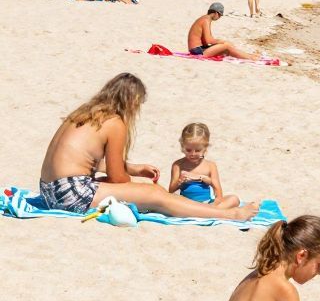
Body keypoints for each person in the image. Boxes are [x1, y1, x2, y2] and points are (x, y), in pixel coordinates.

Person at [36, 73, 256, 220]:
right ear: (130, 101)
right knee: (153, 193)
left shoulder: (87, 112)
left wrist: (133, 168)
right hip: (71, 194)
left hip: (49, 190)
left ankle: (211, 210)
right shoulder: (114, 122)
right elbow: (117, 178)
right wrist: (132, 182)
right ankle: (230, 215)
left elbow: (85, 159)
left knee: (146, 191)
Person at [167, 122, 241, 210]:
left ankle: (207, 210)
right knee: (169, 200)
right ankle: (208, 212)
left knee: (234, 199)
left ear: (205, 148)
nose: (192, 154)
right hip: (186, 203)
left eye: (197, 150)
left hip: (206, 203)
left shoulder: (210, 165)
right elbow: (171, 190)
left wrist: (203, 178)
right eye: (188, 150)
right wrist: (180, 181)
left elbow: (218, 191)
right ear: (182, 146)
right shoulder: (178, 165)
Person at [187, 2, 263, 60]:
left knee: (226, 48)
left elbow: (205, 40)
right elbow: (208, 40)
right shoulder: (206, 20)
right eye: (220, 15)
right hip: (197, 51)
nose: (219, 17)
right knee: (226, 46)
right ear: (216, 13)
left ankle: (249, 55)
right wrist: (222, 41)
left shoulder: (204, 18)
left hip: (198, 49)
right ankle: (250, 57)